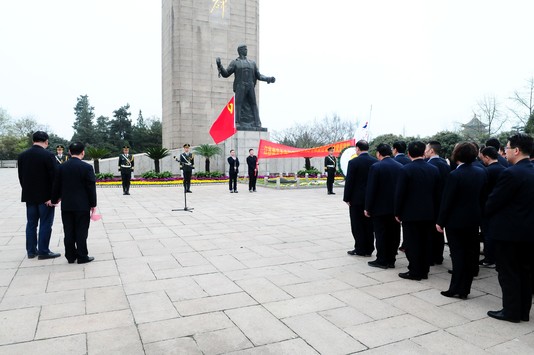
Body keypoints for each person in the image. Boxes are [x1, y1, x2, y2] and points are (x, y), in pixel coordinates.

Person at [486, 133, 534, 323]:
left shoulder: (511, 173)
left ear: (516, 150)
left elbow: (493, 202)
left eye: (506, 148)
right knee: (526, 272)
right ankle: (523, 311)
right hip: (529, 232)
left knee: (508, 273)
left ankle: (511, 311)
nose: (504, 151)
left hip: (509, 233)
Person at [436, 142, 487, 299]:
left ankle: (455, 288)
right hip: (473, 219)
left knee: (458, 255)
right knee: (470, 254)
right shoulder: (481, 172)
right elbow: (483, 198)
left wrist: (440, 221)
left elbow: (447, 201)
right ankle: (465, 288)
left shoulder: (455, 175)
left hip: (455, 221)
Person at [394, 141, 440, 281]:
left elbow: (400, 193)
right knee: (426, 242)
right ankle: (424, 270)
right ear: (423, 152)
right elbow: (437, 193)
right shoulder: (433, 169)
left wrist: (397, 212)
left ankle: (415, 270)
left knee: (412, 243)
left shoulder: (406, 169)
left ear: (408, 154)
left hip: (410, 213)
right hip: (429, 213)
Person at [17, 131, 61, 260]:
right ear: (46, 141)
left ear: (33, 141)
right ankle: (43, 251)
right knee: (45, 223)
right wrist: (54, 197)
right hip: (45, 198)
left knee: (31, 223)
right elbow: (55, 178)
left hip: (29, 196)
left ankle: (31, 251)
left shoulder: (22, 155)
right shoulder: (48, 155)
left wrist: (27, 191)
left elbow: (21, 177)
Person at [51, 142, 97, 264]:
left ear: (70, 152)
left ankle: (70, 256)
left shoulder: (61, 167)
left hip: (67, 205)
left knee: (69, 230)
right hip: (82, 205)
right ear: (83, 152)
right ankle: (82, 256)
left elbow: (56, 186)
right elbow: (90, 187)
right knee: (81, 231)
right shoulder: (87, 167)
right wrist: (93, 204)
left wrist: (55, 200)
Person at [216, 44, 275, 129]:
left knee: (253, 104)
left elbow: (258, 75)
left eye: (246, 49)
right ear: (240, 51)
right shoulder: (235, 62)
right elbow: (226, 74)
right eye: (245, 49)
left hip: (250, 86)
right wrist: (219, 66)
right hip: (240, 86)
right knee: (238, 104)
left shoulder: (252, 63)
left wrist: (268, 79)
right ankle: (237, 123)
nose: (246, 50)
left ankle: (257, 123)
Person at [364, 143, 403, 269]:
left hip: (379, 208)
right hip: (395, 208)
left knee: (381, 234)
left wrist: (367, 207)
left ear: (378, 153)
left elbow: (371, 189)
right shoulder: (400, 166)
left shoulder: (376, 167)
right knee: (394, 234)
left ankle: (382, 259)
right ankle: (391, 259)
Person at [343, 140, 378, 256]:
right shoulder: (375, 161)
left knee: (357, 224)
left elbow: (350, 182)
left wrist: (347, 198)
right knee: (369, 225)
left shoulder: (353, 162)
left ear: (357, 148)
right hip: (371, 198)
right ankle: (369, 248)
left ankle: (359, 248)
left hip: (356, 199)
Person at [424, 141, 451, 266]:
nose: (425, 151)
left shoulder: (429, 165)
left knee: (430, 231)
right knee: (439, 231)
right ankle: (438, 256)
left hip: (431, 202)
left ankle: (430, 256)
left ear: (431, 151)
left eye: (426, 149)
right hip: (442, 201)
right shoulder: (444, 164)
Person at [479, 146, 506, 268]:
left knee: (487, 233)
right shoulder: (504, 169)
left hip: (487, 206)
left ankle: (489, 258)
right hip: (501, 207)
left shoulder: (487, 171)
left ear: (487, 157)